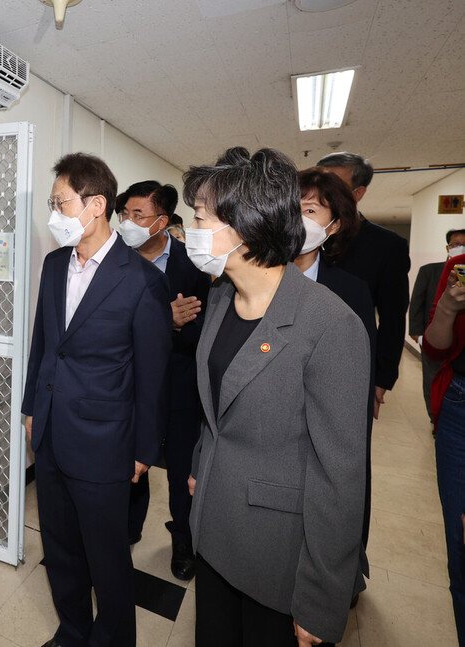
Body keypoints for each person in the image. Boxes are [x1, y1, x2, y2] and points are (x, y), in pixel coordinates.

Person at [185, 147, 369, 646]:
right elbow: (217, 405)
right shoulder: (223, 298)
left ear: (244, 226)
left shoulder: (330, 326)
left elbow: (341, 476)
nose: (191, 231)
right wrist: (202, 462)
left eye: (199, 218)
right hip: (213, 531)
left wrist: (320, 598)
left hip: (275, 556)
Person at [23, 153, 172, 647]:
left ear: (96, 205)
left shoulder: (142, 280)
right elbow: (43, 345)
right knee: (61, 549)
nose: (54, 213)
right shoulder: (52, 265)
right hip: (49, 432)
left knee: (106, 558)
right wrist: (29, 409)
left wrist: (144, 451)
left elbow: (152, 376)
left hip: (106, 443)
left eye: (60, 202)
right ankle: (71, 631)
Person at [119, 180, 210, 581]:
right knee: (130, 461)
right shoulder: (116, 262)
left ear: (162, 221)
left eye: (137, 215)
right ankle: (128, 527)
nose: (127, 223)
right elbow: (109, 327)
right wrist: (163, 321)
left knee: (178, 468)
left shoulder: (194, 266)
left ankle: (183, 540)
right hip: (128, 385)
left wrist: (169, 326)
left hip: (177, 384)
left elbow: (201, 330)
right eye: (124, 214)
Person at [295, 167, 377, 554]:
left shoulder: (351, 293)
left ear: (333, 227)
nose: (296, 219)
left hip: (320, 434)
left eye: (310, 210)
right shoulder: (245, 283)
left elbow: (354, 388)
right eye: (290, 207)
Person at [317, 152, 411, 419]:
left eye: (332, 185)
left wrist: (380, 379)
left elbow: (392, 318)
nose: (321, 193)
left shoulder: (386, 246)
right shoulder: (297, 238)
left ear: (357, 193)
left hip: (352, 367)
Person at [422, 252, 465, 646]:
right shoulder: (459, 269)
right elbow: (436, 349)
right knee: (461, 546)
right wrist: (449, 309)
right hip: (459, 410)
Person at [411, 229, 465, 426]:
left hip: (457, 347)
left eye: (464, 244)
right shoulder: (430, 271)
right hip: (433, 336)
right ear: (447, 247)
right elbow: (417, 301)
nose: (460, 248)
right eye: (456, 244)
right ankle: (435, 418)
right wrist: (416, 333)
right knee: (431, 379)